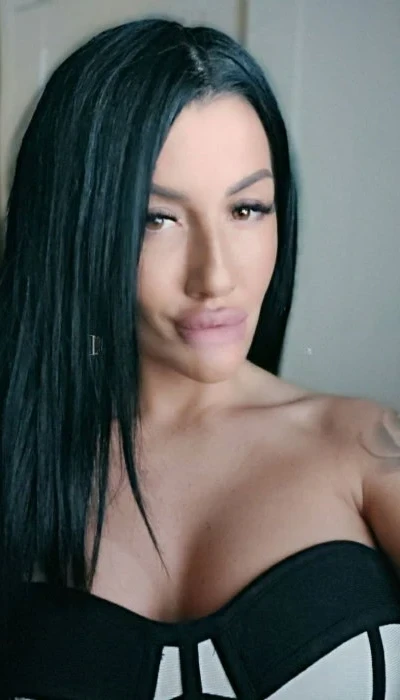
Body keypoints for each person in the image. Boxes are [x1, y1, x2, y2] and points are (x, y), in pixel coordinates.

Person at [0, 16, 400, 700]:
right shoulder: (19, 466)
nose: (215, 276)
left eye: (247, 209)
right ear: (71, 226)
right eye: (155, 219)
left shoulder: (371, 451)